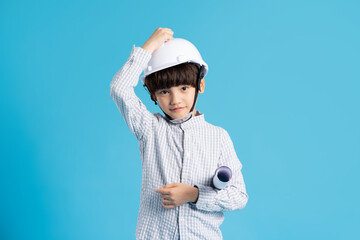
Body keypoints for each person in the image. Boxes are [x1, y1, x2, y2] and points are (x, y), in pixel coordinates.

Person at [110, 27, 248, 240]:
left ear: (200, 85)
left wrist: (194, 194)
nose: (175, 100)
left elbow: (239, 196)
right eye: (164, 91)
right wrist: (149, 47)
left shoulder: (218, 137)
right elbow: (119, 88)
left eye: (184, 88)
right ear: (153, 95)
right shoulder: (150, 128)